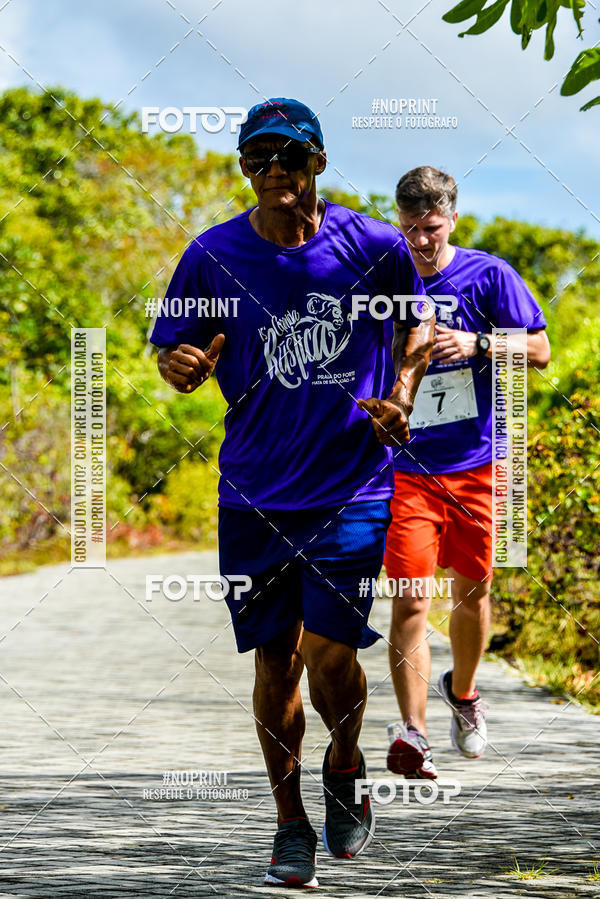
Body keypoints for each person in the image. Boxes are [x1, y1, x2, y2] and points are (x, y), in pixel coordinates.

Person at [150, 99, 434, 888]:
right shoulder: (212, 255)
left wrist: (404, 390)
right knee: (275, 663)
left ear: (317, 161)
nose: (271, 166)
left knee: (330, 652)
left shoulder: (374, 246)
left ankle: (344, 761)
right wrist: (179, 367)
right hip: (254, 494)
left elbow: (415, 324)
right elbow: (172, 349)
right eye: (255, 156)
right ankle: (290, 821)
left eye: (287, 152)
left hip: (351, 485)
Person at [384, 166, 550, 780]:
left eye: (430, 228)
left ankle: (465, 692)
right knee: (409, 600)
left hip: (482, 464)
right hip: (407, 468)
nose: (420, 242)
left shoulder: (489, 275)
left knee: (474, 591)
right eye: (408, 229)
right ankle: (413, 732)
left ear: (452, 218)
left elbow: (538, 351)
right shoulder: (384, 278)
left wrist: (478, 345)